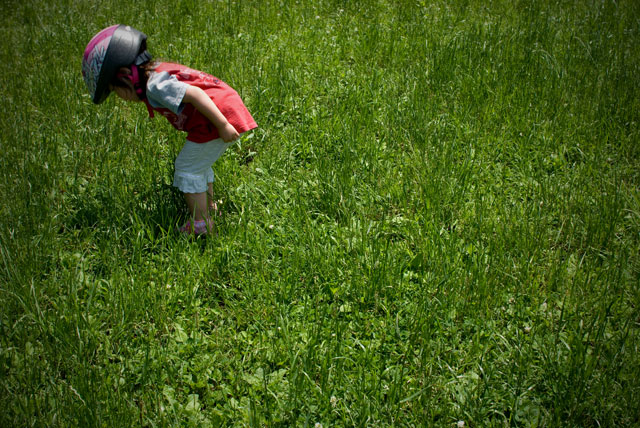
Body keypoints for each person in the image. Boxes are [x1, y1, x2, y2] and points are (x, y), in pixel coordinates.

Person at [82, 24, 257, 235]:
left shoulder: (154, 85)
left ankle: (201, 223)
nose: (121, 98)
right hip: (212, 119)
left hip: (217, 119)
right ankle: (208, 208)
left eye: (115, 90)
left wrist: (223, 125)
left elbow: (196, 94)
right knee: (197, 164)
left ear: (126, 75)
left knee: (187, 168)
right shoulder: (156, 71)